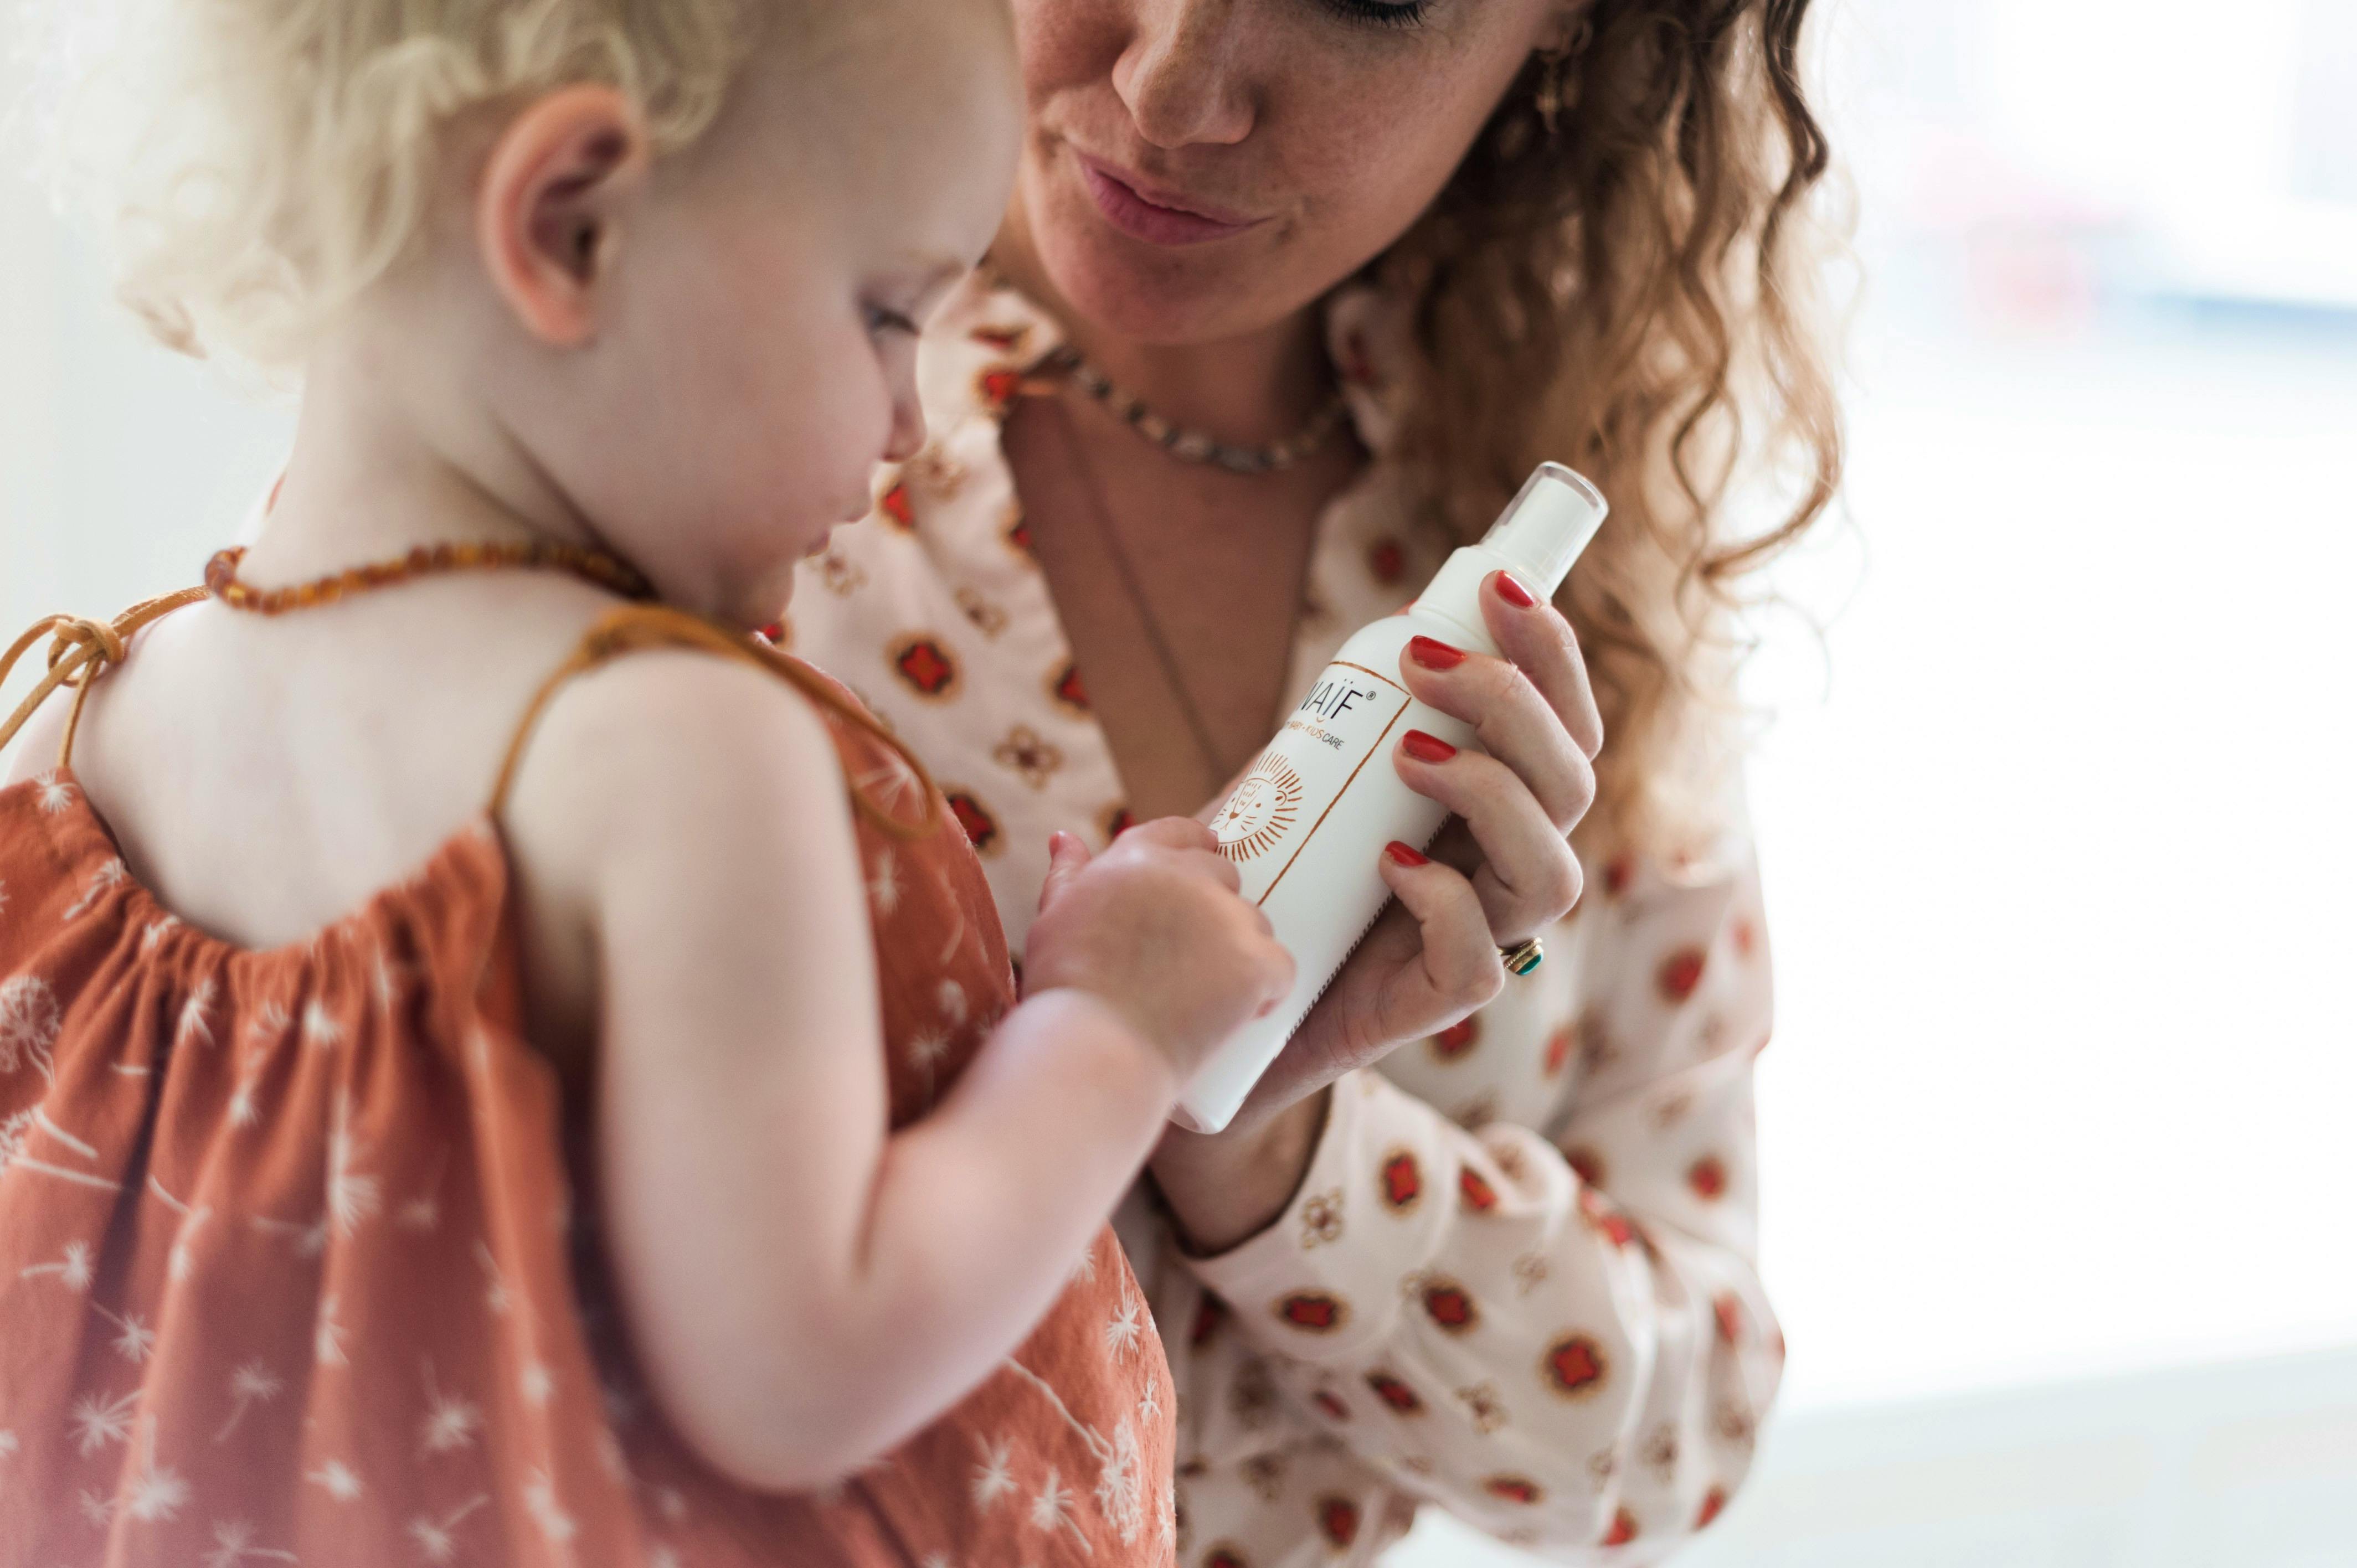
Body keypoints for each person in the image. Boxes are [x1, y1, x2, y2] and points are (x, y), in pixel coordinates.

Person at [0, 0, 1297, 1561]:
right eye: (889, 313)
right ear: (572, 225)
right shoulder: (670, 747)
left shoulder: (83, 718)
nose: (909, 423)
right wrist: (1119, 1026)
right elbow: (808, 1366)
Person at [784, 0, 1843, 1560]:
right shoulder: (705, 397)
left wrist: (1276, 1153)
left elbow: (1689, 1428)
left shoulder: (1583, 593)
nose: (1173, 88)